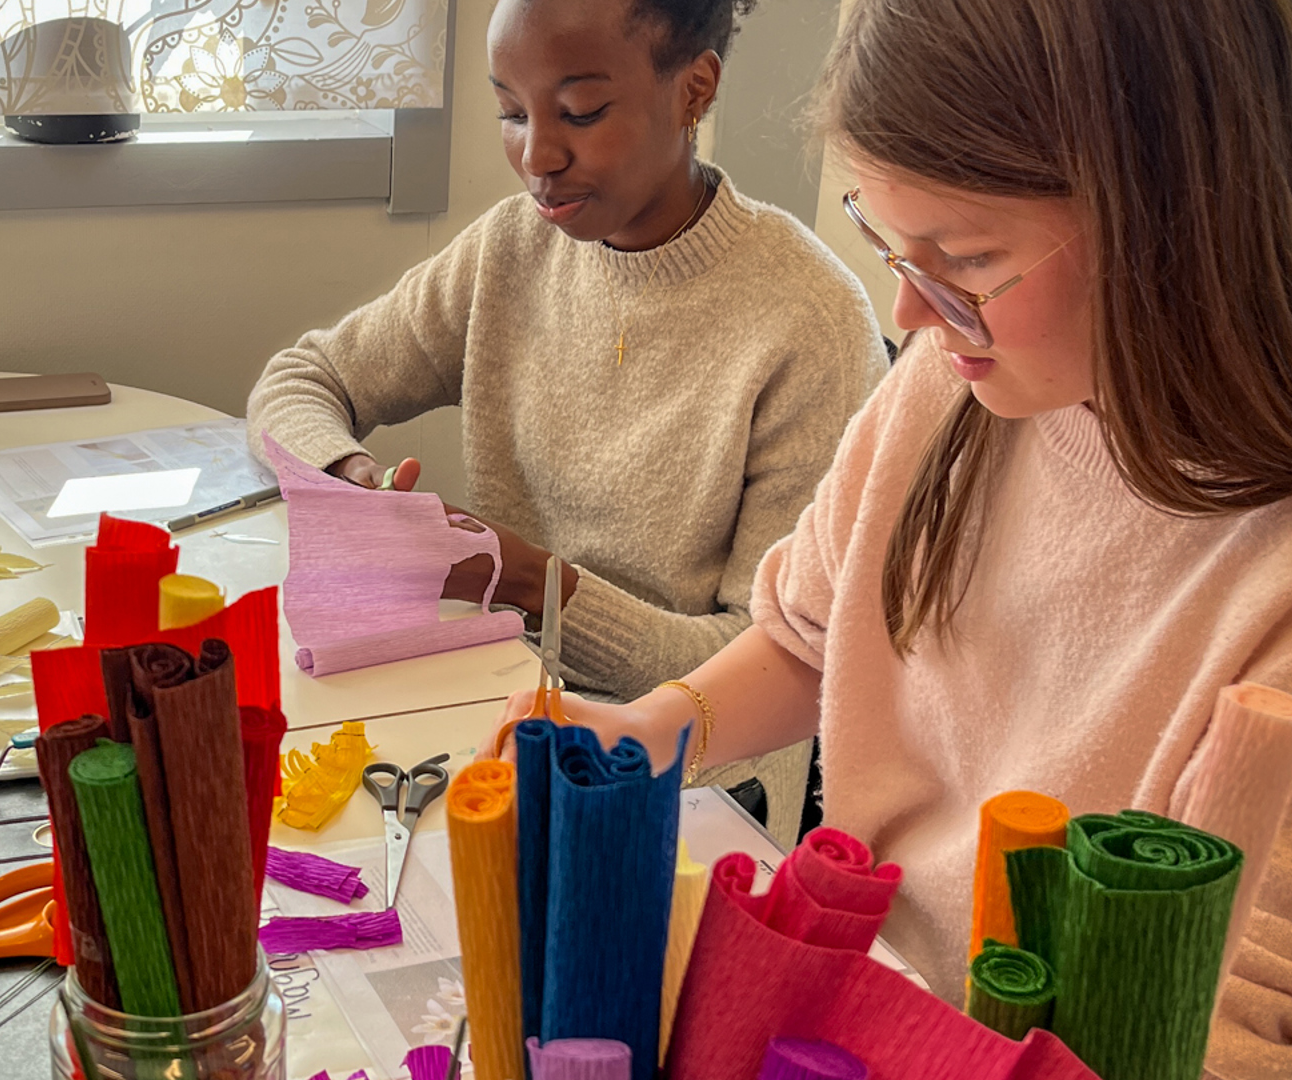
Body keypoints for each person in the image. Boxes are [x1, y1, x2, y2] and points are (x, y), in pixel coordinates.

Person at [486, 0, 1292, 1073]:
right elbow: (812, 639)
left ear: (1175, 218)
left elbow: (1285, 1015)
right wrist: (650, 731)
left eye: (961, 256)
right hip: (871, 1005)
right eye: (886, 240)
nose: (911, 314)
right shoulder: (957, 385)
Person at [246, 0, 886, 701]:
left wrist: (532, 584)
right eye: (512, 113)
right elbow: (303, 379)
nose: (537, 158)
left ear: (694, 90)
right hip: (497, 690)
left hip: (684, 751)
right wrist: (350, 478)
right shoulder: (510, 249)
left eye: (581, 113)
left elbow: (772, 667)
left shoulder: (811, 320)